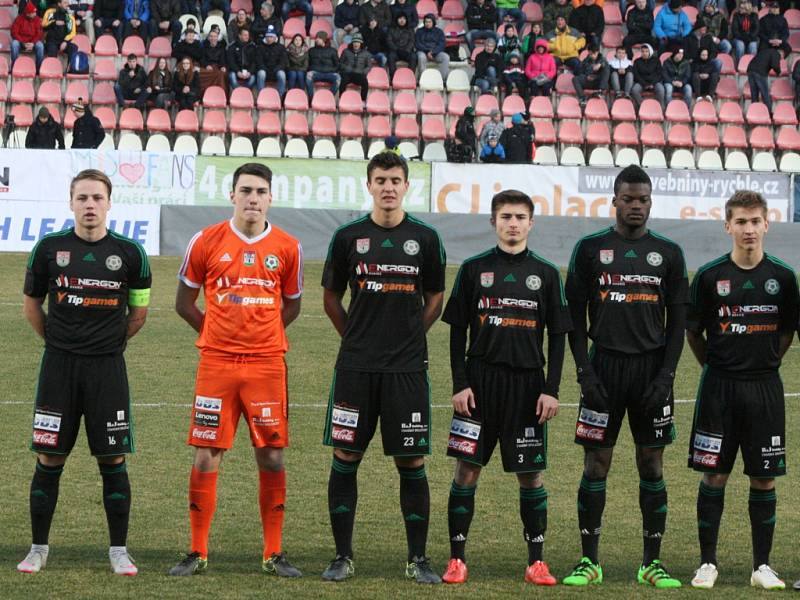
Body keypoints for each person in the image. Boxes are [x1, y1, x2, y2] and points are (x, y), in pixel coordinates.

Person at [169, 162, 304, 579]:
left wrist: (263, 336)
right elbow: (184, 303)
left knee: (272, 454)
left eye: (260, 191)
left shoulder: (287, 246)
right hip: (217, 364)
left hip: (266, 366)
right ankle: (196, 551)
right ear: (232, 195)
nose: (252, 198)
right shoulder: (205, 241)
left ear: (270, 198)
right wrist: (217, 333)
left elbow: (292, 303)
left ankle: (273, 553)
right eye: (245, 190)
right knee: (207, 454)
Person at [17, 169, 151, 577]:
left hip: (107, 370)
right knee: (49, 455)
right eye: (82, 198)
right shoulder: (48, 249)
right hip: (58, 368)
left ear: (109, 203)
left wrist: (107, 345)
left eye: (97, 198)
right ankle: (38, 548)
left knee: (113, 457)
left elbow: (139, 312)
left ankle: (118, 551)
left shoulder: (131, 254)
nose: (90, 205)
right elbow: (31, 306)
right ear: (71, 202)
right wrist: (59, 343)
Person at [320, 152, 446, 584]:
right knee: (346, 455)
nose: (388, 187)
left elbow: (434, 297)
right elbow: (331, 296)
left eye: (395, 180)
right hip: (356, 367)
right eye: (380, 180)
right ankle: (342, 556)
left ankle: (418, 559)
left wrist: (412, 334)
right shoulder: (348, 237)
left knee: (411, 461)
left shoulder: (426, 239)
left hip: (407, 370)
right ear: (369, 185)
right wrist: (354, 335)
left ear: (407, 186)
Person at [562, 165, 687, 589]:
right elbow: (573, 319)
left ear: (650, 202)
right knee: (596, 463)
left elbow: (679, 323)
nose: (636, 206)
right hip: (604, 368)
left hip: (651, 370)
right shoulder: (591, 249)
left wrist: (666, 377)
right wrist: (584, 373)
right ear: (614, 200)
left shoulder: (668, 253)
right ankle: (588, 561)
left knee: (651, 463)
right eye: (629, 199)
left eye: (643, 199)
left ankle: (651, 562)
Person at [440, 190, 570, 586]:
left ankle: (536, 563)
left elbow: (559, 335)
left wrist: (551, 389)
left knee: (531, 476)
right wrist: (460, 384)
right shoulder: (474, 269)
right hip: (479, 385)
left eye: (519, 217)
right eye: (505, 216)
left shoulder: (546, 274)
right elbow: (457, 331)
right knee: (467, 470)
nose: (512, 223)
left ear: (531, 223)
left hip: (528, 388)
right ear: (493, 222)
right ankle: (457, 559)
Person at [685, 191, 799, 591]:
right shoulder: (709, 277)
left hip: (765, 389)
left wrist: (765, 361)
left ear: (767, 224)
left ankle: (762, 566)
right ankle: (707, 563)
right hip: (718, 388)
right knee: (713, 475)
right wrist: (715, 366)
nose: (748, 229)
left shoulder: (784, 278)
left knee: (764, 479)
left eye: (755, 221)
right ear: (727, 226)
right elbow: (693, 331)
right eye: (741, 222)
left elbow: (787, 330)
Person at [747, 44, 781, 113]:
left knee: (754, 94)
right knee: (765, 95)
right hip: (760, 72)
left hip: (750, 69)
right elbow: (775, 65)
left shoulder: (765, 51)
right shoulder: (776, 53)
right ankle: (768, 113)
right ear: (781, 51)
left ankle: (754, 113)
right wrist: (778, 72)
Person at [306, 31, 340, 97]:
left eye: (319, 38)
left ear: (324, 39)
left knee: (338, 78)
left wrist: (332, 70)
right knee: (308, 75)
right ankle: (312, 99)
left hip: (329, 73)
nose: (316, 40)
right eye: (316, 38)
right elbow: (308, 63)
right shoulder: (311, 50)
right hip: (316, 73)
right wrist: (311, 69)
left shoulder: (332, 50)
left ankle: (328, 97)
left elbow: (337, 64)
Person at [11, 2, 45, 69]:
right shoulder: (19, 19)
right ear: (28, 14)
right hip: (21, 42)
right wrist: (23, 43)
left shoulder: (37, 19)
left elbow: (39, 33)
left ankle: (38, 69)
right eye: (33, 13)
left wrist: (32, 43)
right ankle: (14, 67)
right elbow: (14, 32)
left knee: (40, 46)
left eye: (35, 12)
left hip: (33, 42)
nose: (35, 14)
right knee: (14, 44)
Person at [339, 32, 371, 102]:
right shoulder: (346, 51)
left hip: (359, 73)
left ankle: (363, 101)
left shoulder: (366, 53)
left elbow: (368, 66)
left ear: (361, 43)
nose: (356, 44)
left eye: (358, 42)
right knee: (342, 82)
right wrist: (346, 68)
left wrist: (363, 72)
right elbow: (340, 63)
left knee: (365, 83)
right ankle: (341, 99)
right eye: (354, 42)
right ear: (352, 43)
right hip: (347, 73)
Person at [416, 14, 449, 79]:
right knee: (421, 57)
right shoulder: (419, 31)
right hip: (423, 52)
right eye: (426, 22)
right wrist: (427, 51)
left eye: (429, 22)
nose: (427, 23)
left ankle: (441, 79)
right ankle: (423, 79)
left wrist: (433, 52)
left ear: (433, 22)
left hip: (435, 53)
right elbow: (417, 44)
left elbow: (442, 44)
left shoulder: (439, 31)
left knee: (446, 57)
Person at [257, 25, 288, 96]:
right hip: (265, 70)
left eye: (271, 37)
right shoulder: (260, 47)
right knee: (261, 73)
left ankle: (279, 97)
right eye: (267, 36)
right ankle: (261, 96)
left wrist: (276, 69)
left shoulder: (281, 47)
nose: (269, 39)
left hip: (276, 70)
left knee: (282, 74)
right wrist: (265, 69)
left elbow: (283, 62)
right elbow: (259, 61)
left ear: (275, 38)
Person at [199, 28, 227, 92]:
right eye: (211, 36)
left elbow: (223, 60)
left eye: (215, 36)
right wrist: (207, 65)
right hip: (208, 67)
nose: (213, 38)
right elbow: (202, 59)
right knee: (198, 73)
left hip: (217, 67)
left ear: (217, 38)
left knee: (221, 74)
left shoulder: (222, 48)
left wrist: (222, 66)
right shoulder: (204, 47)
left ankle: (220, 94)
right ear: (208, 38)